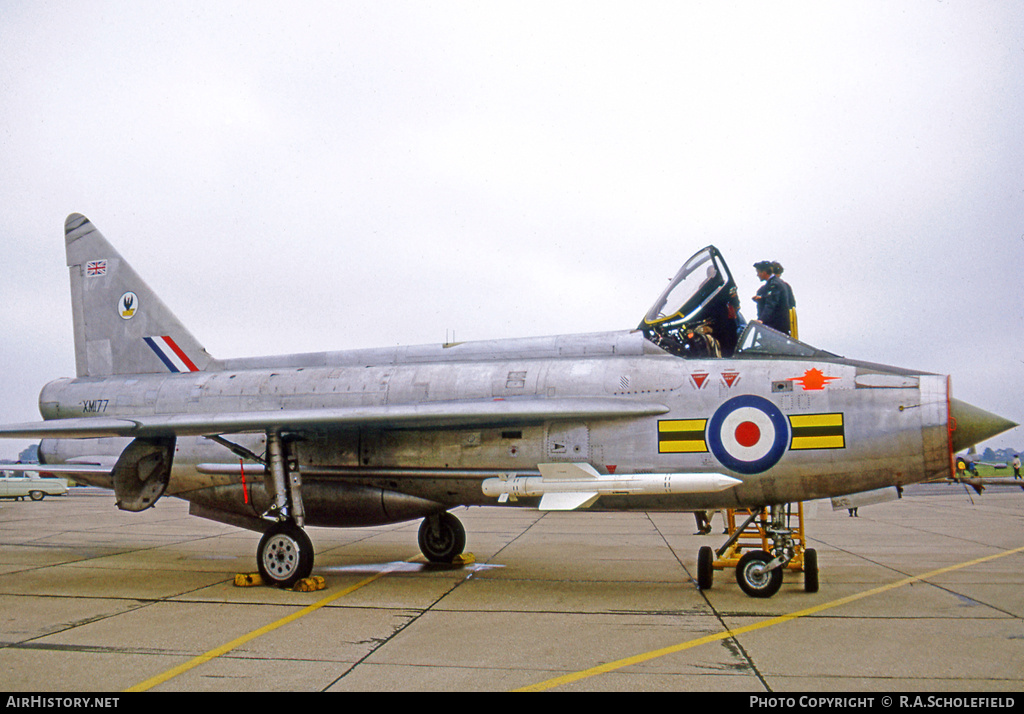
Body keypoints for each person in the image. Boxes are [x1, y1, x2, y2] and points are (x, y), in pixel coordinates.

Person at [751, 261, 792, 335]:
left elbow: (771, 304)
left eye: (758, 272)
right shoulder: (775, 283)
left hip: (777, 328)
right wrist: (762, 298)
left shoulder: (774, 284)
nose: (757, 275)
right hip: (777, 327)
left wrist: (761, 320)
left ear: (764, 272)